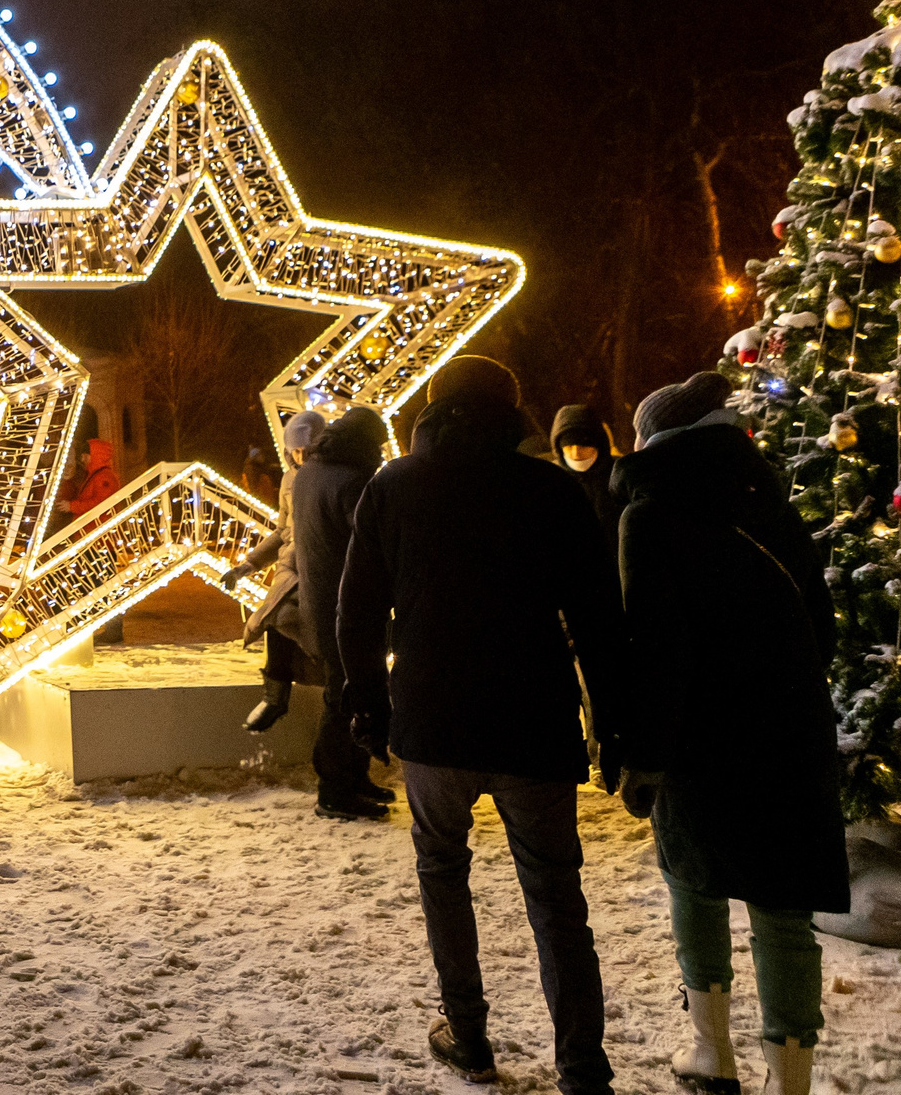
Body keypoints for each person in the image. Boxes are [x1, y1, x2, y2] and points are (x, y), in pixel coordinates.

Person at [338, 355, 628, 1095]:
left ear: (432, 412)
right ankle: (582, 1066)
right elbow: (599, 620)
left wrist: (367, 701)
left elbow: (358, 610)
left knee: (442, 869)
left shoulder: (394, 485)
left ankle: (468, 1035)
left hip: (434, 719)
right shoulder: (554, 492)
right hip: (533, 720)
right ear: (515, 412)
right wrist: (615, 720)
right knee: (557, 895)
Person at [612, 373, 847, 1095]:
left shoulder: (648, 515)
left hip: (700, 742)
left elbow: (656, 650)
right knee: (782, 909)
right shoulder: (771, 507)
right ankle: (792, 1081)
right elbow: (822, 627)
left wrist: (642, 758)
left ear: (656, 440)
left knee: (694, 880)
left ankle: (711, 1049)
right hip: (790, 733)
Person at [283, 406, 390, 819]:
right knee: (345, 694)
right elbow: (369, 543)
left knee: (347, 689)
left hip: (320, 600)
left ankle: (351, 778)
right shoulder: (353, 481)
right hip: (349, 604)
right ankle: (334, 789)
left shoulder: (310, 473)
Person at [227, 409, 325, 734]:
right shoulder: (287, 478)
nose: (302, 456)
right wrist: (249, 564)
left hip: (321, 568)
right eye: (297, 450)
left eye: (309, 449)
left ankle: (301, 690)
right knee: (276, 619)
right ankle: (276, 695)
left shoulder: (333, 476)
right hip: (289, 568)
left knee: (285, 618)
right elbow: (282, 531)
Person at [549, 405, 622, 569]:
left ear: (598, 444)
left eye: (583, 446)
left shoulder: (620, 472)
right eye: (568, 447)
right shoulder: (550, 479)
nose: (576, 454)